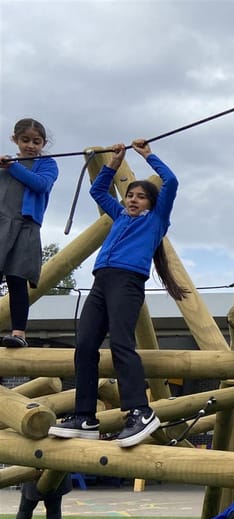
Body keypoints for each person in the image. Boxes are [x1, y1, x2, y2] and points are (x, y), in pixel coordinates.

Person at [48, 140, 186, 448]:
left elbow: (172, 181)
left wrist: (147, 155)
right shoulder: (119, 215)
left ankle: (140, 410)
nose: (133, 200)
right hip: (101, 282)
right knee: (84, 344)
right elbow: (97, 192)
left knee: (122, 344)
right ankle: (85, 416)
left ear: (151, 203)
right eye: (130, 196)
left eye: (140, 197)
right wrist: (113, 162)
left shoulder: (156, 220)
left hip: (127, 282)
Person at [0, 118, 59, 348]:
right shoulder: (6, 163)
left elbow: (41, 185)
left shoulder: (47, 164)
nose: (30, 146)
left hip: (26, 225)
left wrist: (12, 167)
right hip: (2, 223)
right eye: (25, 140)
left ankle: (19, 333)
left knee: (17, 280)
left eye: (36, 141)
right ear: (15, 140)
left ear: (44, 142)